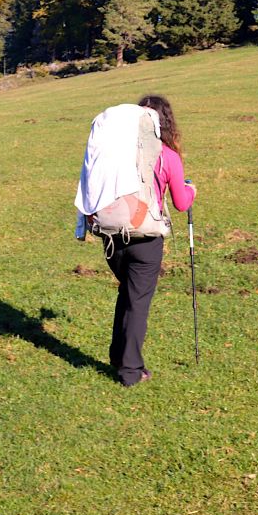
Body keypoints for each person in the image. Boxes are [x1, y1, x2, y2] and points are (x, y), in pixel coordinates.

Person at [103, 94, 196, 386]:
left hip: (113, 238)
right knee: (137, 303)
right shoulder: (168, 156)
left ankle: (119, 358)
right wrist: (191, 189)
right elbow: (181, 203)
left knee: (127, 295)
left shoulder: (117, 153)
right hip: (146, 238)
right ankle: (130, 372)